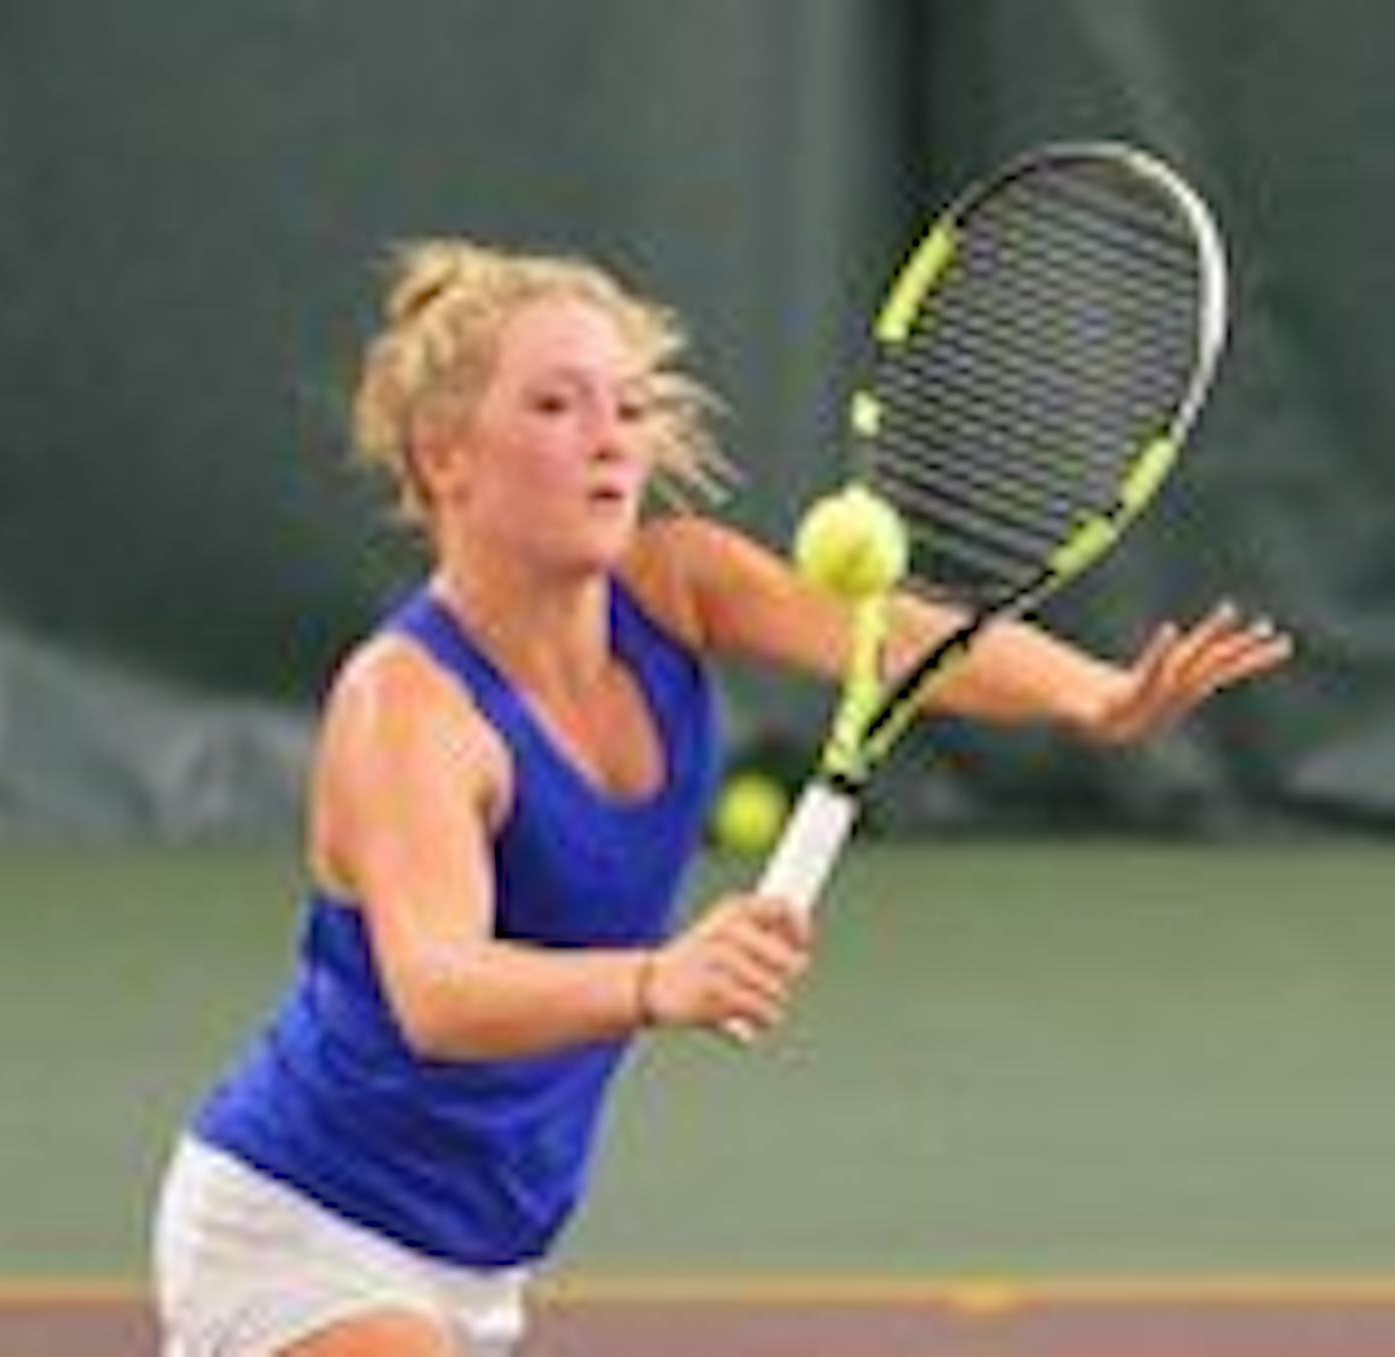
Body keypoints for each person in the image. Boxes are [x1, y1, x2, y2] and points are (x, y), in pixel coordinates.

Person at [151, 239, 1291, 1357]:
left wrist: (1089, 697)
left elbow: (886, 636)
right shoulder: (408, 705)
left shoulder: (677, 583)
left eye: (630, 408)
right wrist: (658, 978)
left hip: (484, 1255)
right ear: (446, 456)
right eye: (555, 406)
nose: (609, 441)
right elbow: (438, 993)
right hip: (303, 1232)